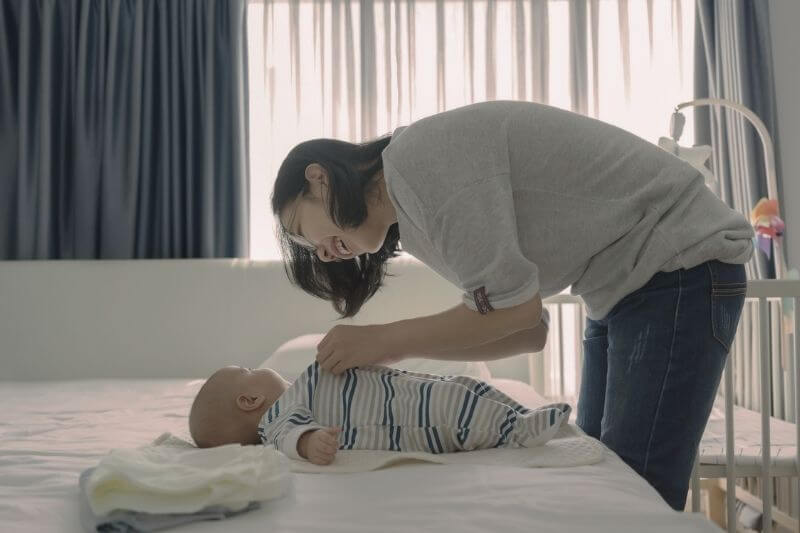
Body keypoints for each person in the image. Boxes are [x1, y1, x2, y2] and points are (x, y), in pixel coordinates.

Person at [270, 100, 753, 508]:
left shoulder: (418, 162)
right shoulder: (413, 217)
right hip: (623, 287)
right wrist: (388, 349)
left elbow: (514, 313)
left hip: (675, 262)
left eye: (301, 229)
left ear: (319, 180)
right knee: (606, 482)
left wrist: (383, 339)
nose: (320, 252)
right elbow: (526, 329)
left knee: (631, 497)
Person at [188, 363, 571, 465]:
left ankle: (523, 415)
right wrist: (308, 443)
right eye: (248, 369)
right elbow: (288, 438)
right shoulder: (277, 419)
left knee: (463, 388)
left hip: (401, 391)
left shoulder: (303, 385)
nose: (256, 367)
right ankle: (516, 430)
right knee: (453, 410)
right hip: (399, 419)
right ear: (249, 401)